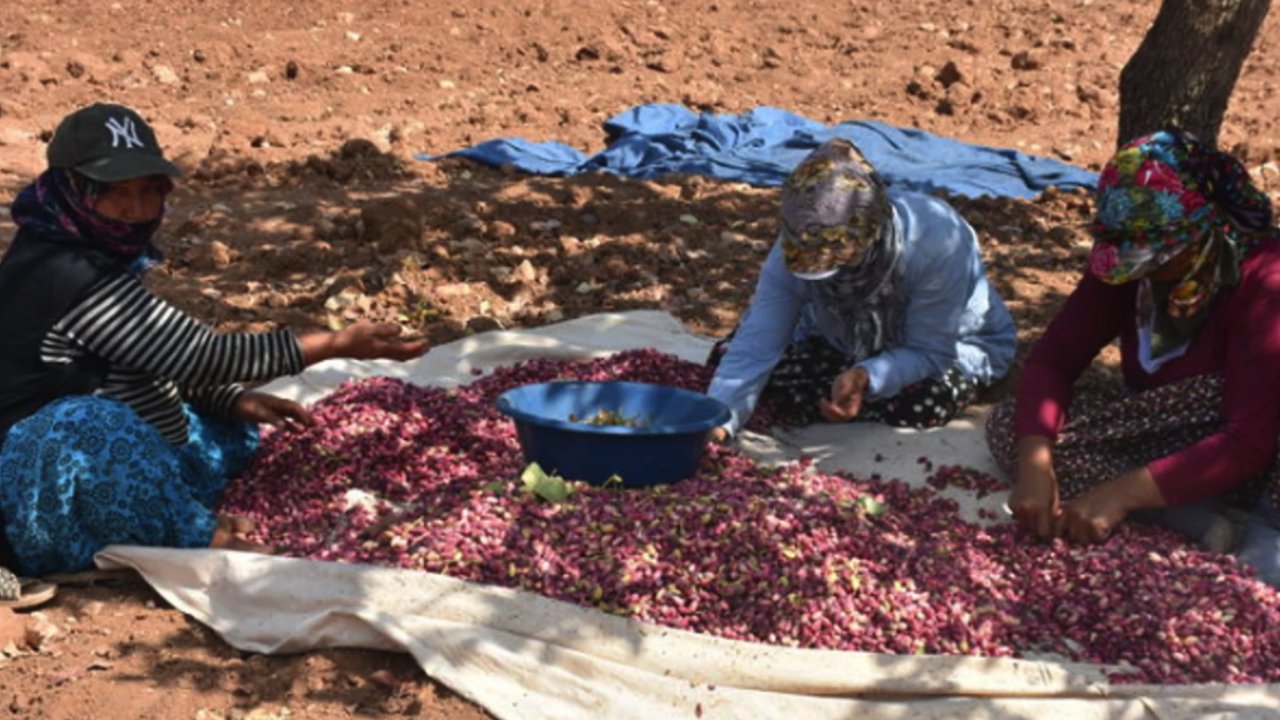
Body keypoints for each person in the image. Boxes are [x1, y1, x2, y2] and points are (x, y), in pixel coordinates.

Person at [0, 102, 428, 580]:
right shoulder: (63, 271)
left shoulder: (85, 252)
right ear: (72, 191)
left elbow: (140, 359)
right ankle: (194, 534)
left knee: (230, 430)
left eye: (148, 192)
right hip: (32, 494)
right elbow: (200, 355)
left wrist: (226, 400)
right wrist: (334, 344)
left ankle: (168, 509)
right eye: (116, 194)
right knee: (89, 426)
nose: (138, 211)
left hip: (117, 444)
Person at [986, 129, 1280, 586]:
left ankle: (1267, 530)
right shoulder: (1130, 263)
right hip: (1185, 437)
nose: (1142, 270)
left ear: (1204, 229)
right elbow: (1053, 362)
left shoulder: (1265, 279)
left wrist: (1122, 494)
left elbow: (1251, 438)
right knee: (1015, 426)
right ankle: (1185, 510)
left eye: (1159, 258)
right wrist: (1036, 466)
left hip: (1260, 446)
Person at [705, 138, 1016, 441]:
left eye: (838, 260)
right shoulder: (798, 244)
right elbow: (758, 343)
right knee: (727, 363)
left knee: (923, 403)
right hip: (843, 339)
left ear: (870, 233)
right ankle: (840, 391)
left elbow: (929, 351)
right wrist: (720, 421)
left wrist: (868, 376)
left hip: (941, 349)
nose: (824, 272)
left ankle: (844, 391)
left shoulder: (937, 244)